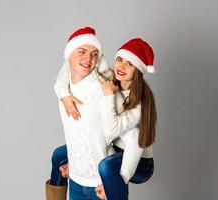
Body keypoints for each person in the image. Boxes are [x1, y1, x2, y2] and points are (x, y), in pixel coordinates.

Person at [50, 37, 157, 200]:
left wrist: (116, 182)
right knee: (59, 154)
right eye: (120, 59)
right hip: (116, 147)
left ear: (138, 70)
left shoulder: (138, 105)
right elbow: (68, 66)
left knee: (106, 166)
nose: (121, 66)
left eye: (130, 64)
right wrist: (64, 95)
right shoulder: (113, 78)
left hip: (138, 159)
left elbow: (114, 131)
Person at [45, 26, 113, 200]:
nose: (88, 58)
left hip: (101, 184)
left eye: (94, 53)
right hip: (75, 181)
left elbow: (118, 131)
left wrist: (113, 181)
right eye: (81, 51)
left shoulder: (103, 89)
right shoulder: (65, 87)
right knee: (58, 155)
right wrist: (74, 166)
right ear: (69, 55)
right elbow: (61, 78)